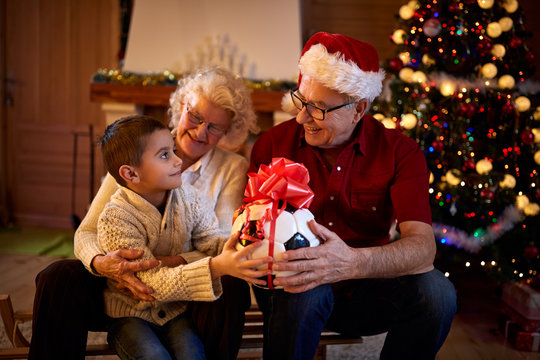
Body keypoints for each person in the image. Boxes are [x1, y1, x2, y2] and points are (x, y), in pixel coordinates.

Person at [248, 32, 457, 360]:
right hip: (292, 291)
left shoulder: (400, 152)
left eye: (318, 108)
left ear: (359, 108)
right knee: (305, 290)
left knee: (438, 294)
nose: (302, 118)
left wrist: (352, 263)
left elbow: (423, 249)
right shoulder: (272, 144)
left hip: (367, 292)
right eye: (302, 101)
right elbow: (249, 229)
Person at [28, 67, 261, 360]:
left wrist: (162, 263)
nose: (201, 131)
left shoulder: (231, 168)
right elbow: (87, 232)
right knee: (58, 275)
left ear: (228, 132)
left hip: (186, 292)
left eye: (215, 127)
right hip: (120, 289)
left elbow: (220, 245)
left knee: (231, 281)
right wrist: (102, 263)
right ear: (181, 108)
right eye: (197, 117)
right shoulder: (136, 151)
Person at [96, 115, 268, 359]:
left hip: (177, 312)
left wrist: (244, 246)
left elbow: (211, 241)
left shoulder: (191, 198)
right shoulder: (115, 219)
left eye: (173, 151)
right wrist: (217, 266)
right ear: (131, 174)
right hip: (130, 315)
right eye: (165, 155)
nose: (179, 161)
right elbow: (150, 284)